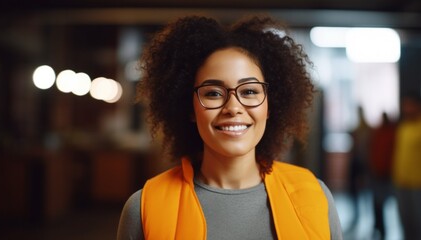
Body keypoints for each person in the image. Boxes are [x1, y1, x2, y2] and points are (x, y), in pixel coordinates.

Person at [117, 15, 342, 240]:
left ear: (270, 105)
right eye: (213, 93)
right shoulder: (144, 208)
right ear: (189, 109)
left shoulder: (315, 197)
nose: (233, 107)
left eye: (250, 91)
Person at [392, 93, 421, 239]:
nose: (406, 109)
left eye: (409, 105)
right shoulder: (403, 127)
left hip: (417, 184)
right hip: (401, 183)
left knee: (418, 223)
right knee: (405, 222)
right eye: (404, 105)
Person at [369, 112, 397, 239]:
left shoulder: (391, 133)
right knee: (376, 203)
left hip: (385, 173)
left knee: (381, 202)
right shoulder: (379, 132)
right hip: (377, 172)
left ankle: (382, 229)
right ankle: (378, 227)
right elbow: (373, 151)